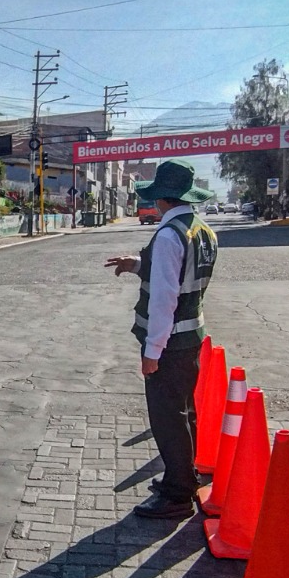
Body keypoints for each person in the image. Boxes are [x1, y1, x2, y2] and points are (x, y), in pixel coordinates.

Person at [104, 160, 218, 520]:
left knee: (168, 421)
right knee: (186, 415)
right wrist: (137, 263)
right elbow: (181, 275)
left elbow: (165, 296)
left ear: (162, 198)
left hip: (169, 345)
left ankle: (177, 495)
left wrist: (153, 351)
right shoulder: (200, 230)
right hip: (190, 340)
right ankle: (186, 476)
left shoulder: (169, 235)